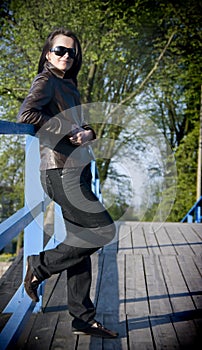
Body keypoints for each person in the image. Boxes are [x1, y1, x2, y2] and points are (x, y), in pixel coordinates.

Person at [17, 28, 118, 338]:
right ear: (48, 53)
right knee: (101, 231)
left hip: (78, 169)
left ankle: (82, 318)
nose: (65, 56)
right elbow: (26, 114)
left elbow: (78, 124)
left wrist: (88, 132)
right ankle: (39, 265)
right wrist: (63, 130)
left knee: (81, 238)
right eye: (60, 50)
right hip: (59, 171)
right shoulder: (45, 81)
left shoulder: (68, 86)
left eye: (71, 52)